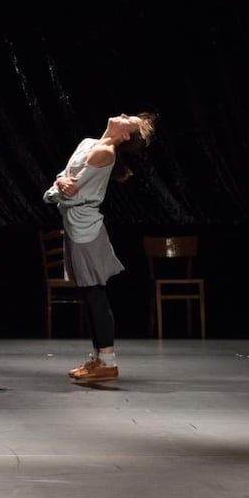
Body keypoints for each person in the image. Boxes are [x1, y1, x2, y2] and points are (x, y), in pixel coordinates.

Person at [43, 112, 157, 382]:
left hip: (86, 230)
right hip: (74, 226)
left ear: (126, 135)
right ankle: (97, 358)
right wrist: (58, 183)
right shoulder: (87, 143)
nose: (124, 115)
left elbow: (70, 194)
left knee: (95, 293)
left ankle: (107, 360)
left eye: (131, 121)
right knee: (88, 294)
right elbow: (64, 178)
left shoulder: (104, 153)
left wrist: (54, 190)